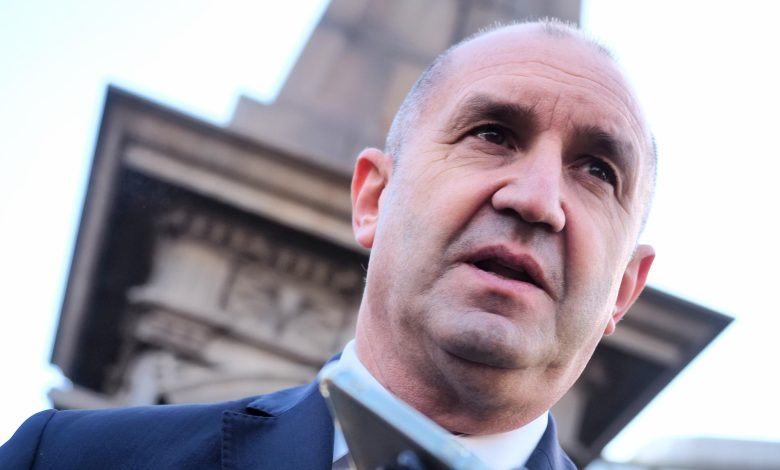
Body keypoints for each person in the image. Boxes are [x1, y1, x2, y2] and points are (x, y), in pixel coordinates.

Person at [0, 20, 655, 470]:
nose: (536, 200)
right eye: (492, 134)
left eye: (599, 171)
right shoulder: (64, 460)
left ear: (623, 292)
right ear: (372, 199)